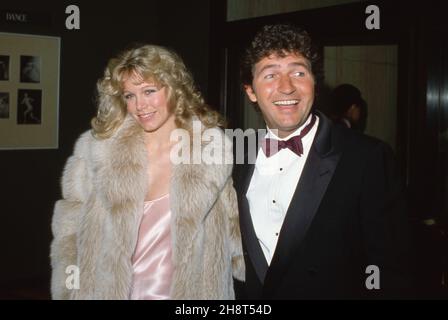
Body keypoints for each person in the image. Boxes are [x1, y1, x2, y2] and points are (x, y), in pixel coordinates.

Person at [50, 44, 244, 300]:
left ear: (174, 88)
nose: (140, 105)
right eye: (129, 95)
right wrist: (67, 288)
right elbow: (70, 227)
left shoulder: (209, 149)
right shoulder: (98, 148)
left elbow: (233, 226)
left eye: (149, 91)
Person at [234, 24, 413, 299]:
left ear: (315, 84)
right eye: (270, 75)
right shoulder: (236, 158)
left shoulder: (367, 158)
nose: (286, 87)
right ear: (251, 91)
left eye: (298, 72)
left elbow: (390, 270)